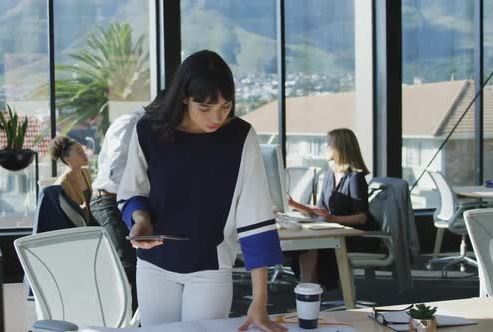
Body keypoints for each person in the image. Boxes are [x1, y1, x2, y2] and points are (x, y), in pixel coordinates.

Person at [117, 50, 287, 332]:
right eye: (205, 108)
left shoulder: (241, 137)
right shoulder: (148, 130)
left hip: (210, 267)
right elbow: (132, 190)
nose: (217, 118)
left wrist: (260, 300)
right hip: (153, 266)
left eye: (225, 106)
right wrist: (140, 219)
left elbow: (255, 218)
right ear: (185, 96)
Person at [287, 128, 380, 288]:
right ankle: (310, 293)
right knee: (305, 244)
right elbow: (320, 209)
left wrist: (333, 219)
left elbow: (361, 217)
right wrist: (293, 204)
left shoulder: (355, 178)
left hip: (357, 236)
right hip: (336, 229)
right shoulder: (331, 174)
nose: (325, 147)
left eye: (328, 144)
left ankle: (312, 294)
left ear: (340, 148)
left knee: (311, 245)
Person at [90, 109, 145, 311]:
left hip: (125, 201)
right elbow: (116, 172)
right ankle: (128, 320)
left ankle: (140, 319)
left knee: (143, 262)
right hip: (108, 201)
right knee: (129, 266)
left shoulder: (147, 125)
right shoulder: (130, 122)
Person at [49, 135, 95, 225]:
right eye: (79, 152)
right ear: (67, 159)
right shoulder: (62, 184)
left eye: (83, 151)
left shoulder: (85, 172)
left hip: (94, 221)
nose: (84, 154)